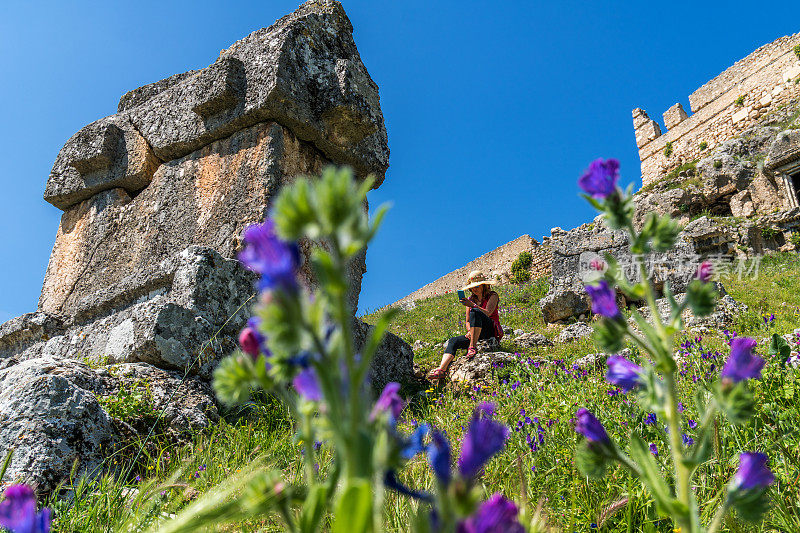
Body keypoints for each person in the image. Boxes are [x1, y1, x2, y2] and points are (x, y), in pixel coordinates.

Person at [426, 270, 503, 380]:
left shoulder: (492, 295)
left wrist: (473, 305)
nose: (474, 289)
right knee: (453, 341)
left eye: (476, 286)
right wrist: (469, 331)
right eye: (472, 287)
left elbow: (488, 313)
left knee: (476, 312)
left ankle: (472, 347)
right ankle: (441, 369)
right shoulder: (471, 299)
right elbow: (467, 321)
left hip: (490, 329)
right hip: (476, 332)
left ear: (483, 285)